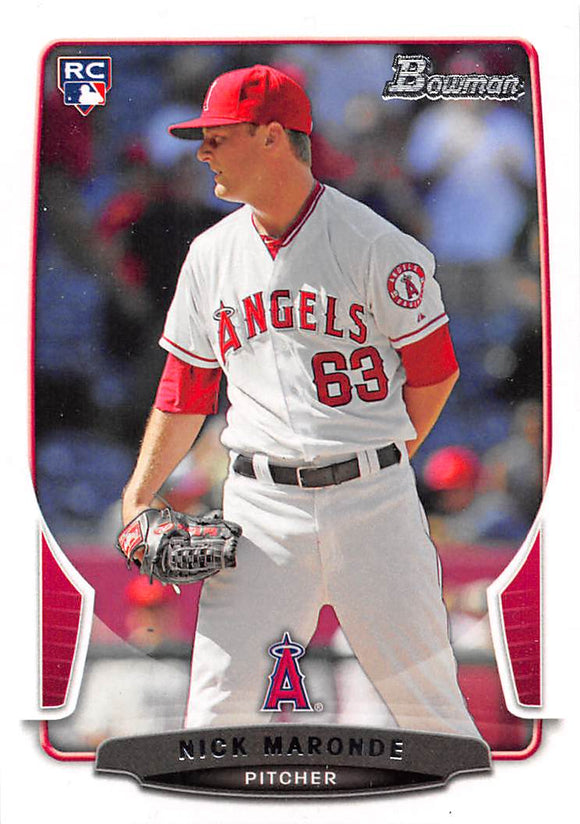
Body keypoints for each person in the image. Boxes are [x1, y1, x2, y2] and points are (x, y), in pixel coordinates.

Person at [121, 64, 483, 739]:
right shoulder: (210, 254)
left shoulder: (376, 245)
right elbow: (185, 388)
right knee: (215, 716)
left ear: (271, 137)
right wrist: (139, 495)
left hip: (375, 507)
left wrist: (382, 459)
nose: (203, 152)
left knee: (431, 714)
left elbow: (436, 373)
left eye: (218, 137)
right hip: (260, 508)